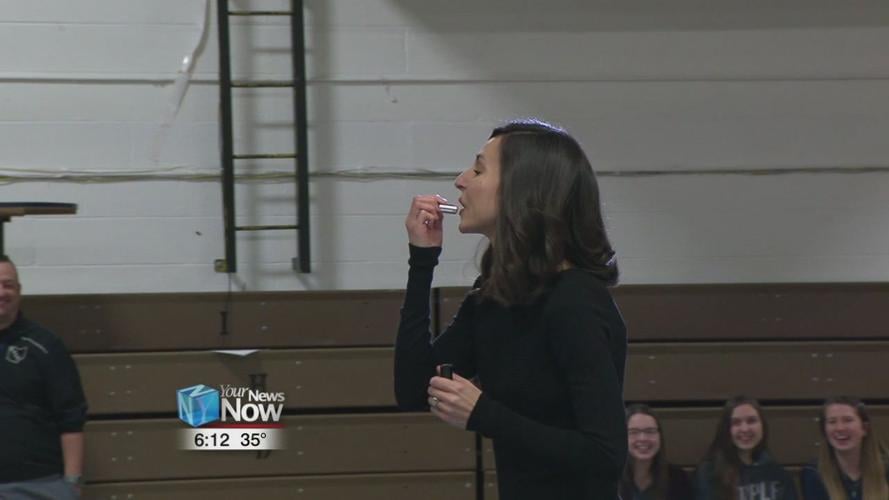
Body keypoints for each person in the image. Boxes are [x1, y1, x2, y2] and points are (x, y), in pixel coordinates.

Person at [394, 119, 628, 499]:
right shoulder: (494, 297)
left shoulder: (575, 302)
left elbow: (604, 456)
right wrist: (422, 263)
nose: (460, 179)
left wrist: (484, 413)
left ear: (522, 190)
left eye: (479, 169)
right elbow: (412, 390)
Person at [0, 256, 88, 499]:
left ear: (19, 291)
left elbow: (71, 419)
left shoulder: (45, 345)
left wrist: (72, 483)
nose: (2, 292)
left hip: (38, 486)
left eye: (8, 285)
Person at [695, 396, 798, 500]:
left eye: (751, 421)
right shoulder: (709, 474)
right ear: (726, 429)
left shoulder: (778, 474)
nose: (744, 429)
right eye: (736, 422)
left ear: (763, 426)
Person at [800, 396, 889, 500]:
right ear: (824, 431)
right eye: (832, 422)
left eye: (848, 420)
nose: (840, 428)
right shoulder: (814, 473)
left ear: (865, 428)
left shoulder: (886, 468)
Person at [620, 404, 694, 500]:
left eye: (650, 431)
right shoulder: (607, 479)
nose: (643, 438)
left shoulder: (678, 479)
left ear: (660, 437)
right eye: (634, 432)